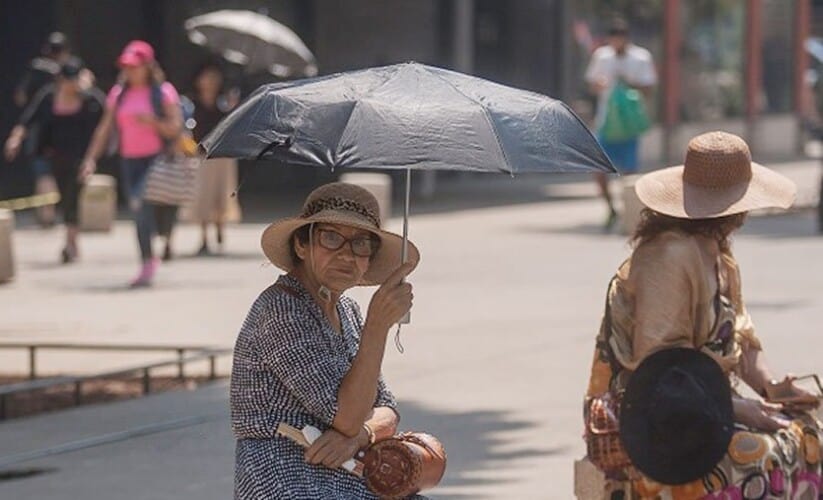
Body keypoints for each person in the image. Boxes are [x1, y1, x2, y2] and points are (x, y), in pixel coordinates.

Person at [583, 131, 822, 497]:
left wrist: (773, 389)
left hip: (705, 407)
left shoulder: (719, 255)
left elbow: (740, 336)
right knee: (765, 456)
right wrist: (739, 408)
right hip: (654, 417)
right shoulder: (669, 257)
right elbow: (661, 365)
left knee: (807, 433)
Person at [231, 182, 426, 499]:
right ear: (302, 246)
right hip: (284, 472)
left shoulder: (346, 309)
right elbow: (346, 416)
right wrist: (377, 327)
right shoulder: (281, 310)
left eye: (361, 244)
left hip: (344, 469)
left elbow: (386, 409)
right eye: (331, 238)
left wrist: (359, 436)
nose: (347, 255)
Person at [81, 40, 183, 287]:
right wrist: (90, 159)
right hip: (129, 161)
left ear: (148, 66)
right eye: (127, 66)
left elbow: (175, 127)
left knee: (146, 204)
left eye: (135, 66)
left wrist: (153, 122)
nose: (131, 71)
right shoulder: (119, 94)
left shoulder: (163, 92)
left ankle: (164, 238)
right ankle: (148, 261)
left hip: (158, 160)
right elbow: (104, 129)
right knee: (140, 211)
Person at [4, 57, 104, 262]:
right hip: (52, 154)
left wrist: (92, 158)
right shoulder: (48, 96)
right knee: (56, 191)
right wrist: (15, 139)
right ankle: (59, 228)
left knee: (72, 196)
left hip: (80, 156)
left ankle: (70, 242)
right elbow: (28, 119)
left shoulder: (90, 100)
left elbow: (105, 123)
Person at [584, 17, 657, 230]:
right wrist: (601, 85)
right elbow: (591, 84)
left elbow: (649, 89)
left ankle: (629, 214)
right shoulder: (602, 57)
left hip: (628, 125)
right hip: (605, 122)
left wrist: (629, 83)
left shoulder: (641, 58)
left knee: (628, 175)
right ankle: (611, 209)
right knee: (598, 170)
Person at [13, 32, 71, 228]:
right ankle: (54, 214)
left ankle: (46, 215)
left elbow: (20, 97)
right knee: (53, 173)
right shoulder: (66, 71)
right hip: (59, 130)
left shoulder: (36, 69)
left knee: (43, 174)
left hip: (38, 129)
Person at [188, 61, 241, 255]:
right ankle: (203, 238)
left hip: (222, 156)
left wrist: (234, 109)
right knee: (202, 196)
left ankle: (220, 228)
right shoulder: (192, 103)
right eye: (207, 77)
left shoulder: (224, 103)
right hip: (201, 156)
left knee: (221, 195)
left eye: (214, 78)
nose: (210, 82)